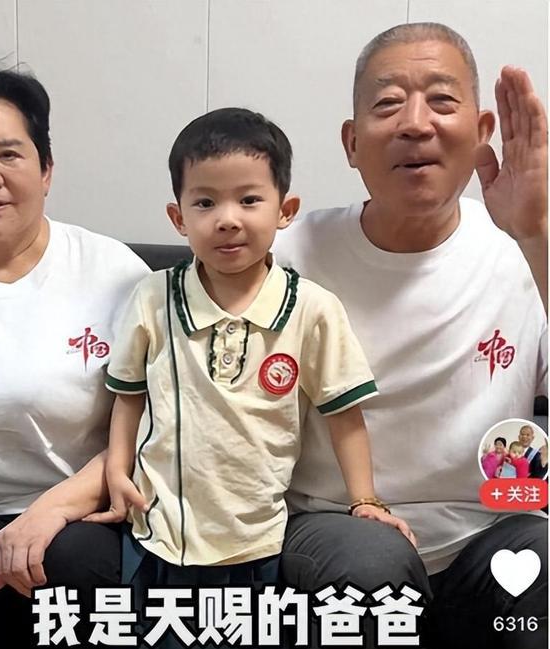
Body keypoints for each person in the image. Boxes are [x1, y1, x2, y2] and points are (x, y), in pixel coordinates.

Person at [82, 108, 414, 631]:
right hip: (159, 533)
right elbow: (129, 396)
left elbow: (344, 415)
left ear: (285, 210)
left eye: (249, 200)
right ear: (178, 218)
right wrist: (118, 474)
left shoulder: (312, 309)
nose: (228, 219)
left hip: (258, 539)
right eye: (205, 202)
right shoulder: (153, 297)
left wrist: (365, 500)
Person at [273, 22, 547, 649]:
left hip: (493, 532)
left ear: (481, 131)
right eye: (389, 103)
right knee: (370, 568)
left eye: (442, 101)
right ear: (351, 143)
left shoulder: (526, 249)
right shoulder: (287, 257)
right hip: (337, 525)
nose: (416, 124)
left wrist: (536, 236)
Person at [0, 45, 149, 648]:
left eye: (8, 153)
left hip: (94, 503)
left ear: (45, 169)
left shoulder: (114, 273)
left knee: (75, 567)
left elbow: (160, 427)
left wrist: (51, 510)